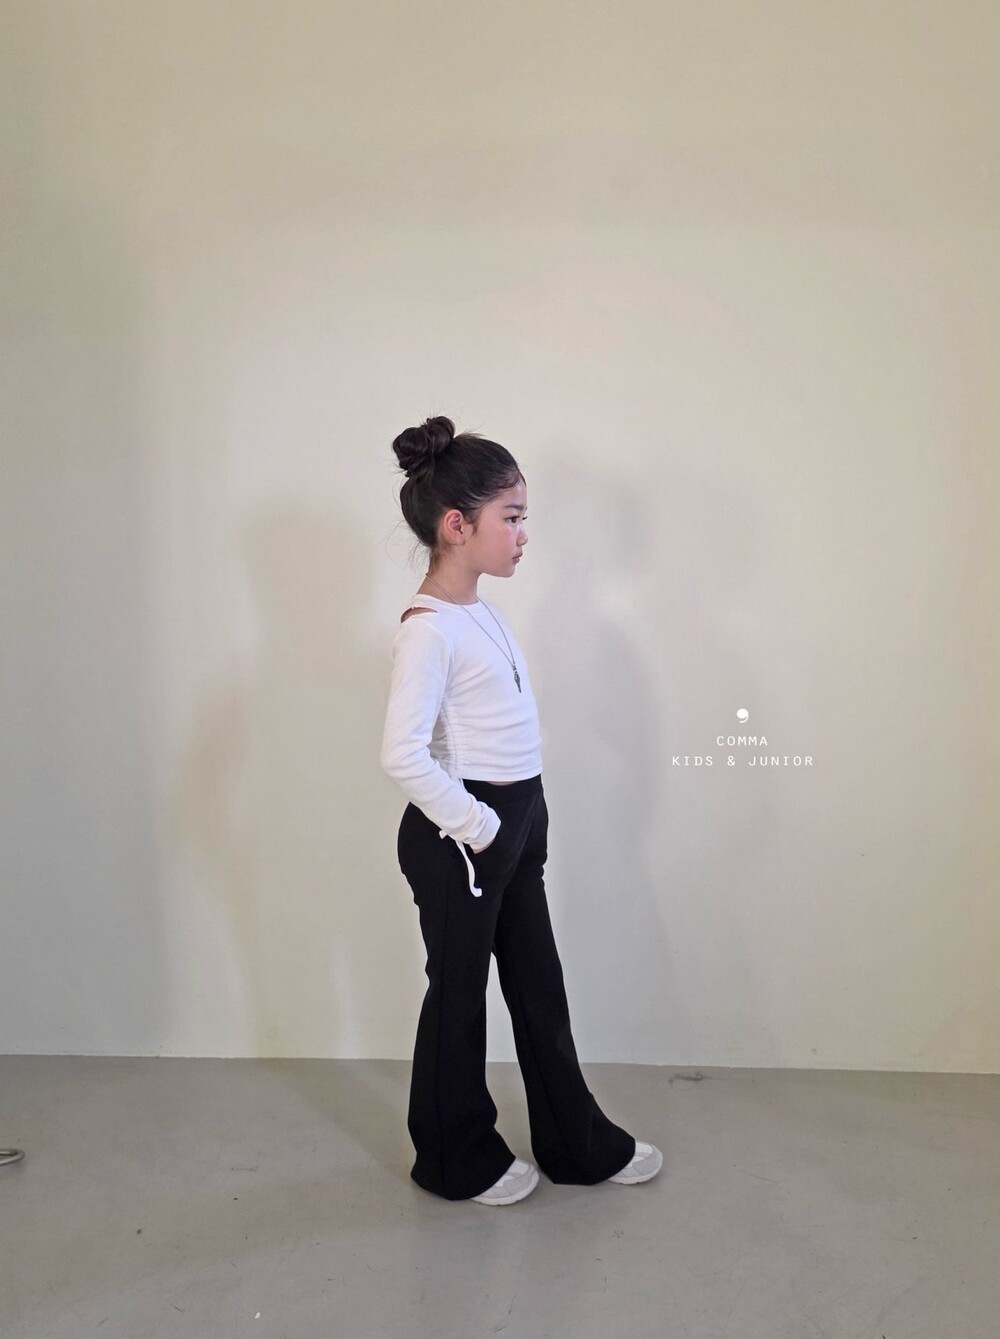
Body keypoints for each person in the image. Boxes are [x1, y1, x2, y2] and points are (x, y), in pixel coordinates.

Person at [380, 415, 662, 1205]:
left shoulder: (483, 613)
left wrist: (521, 820)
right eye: (511, 517)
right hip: (462, 839)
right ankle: (453, 1157)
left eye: (524, 516)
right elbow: (402, 752)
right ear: (456, 524)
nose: (523, 533)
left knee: (539, 983)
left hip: (513, 826)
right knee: (459, 996)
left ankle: (576, 1141)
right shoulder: (428, 630)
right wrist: (480, 828)